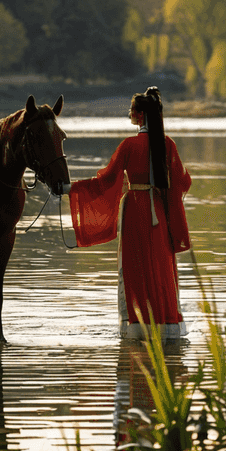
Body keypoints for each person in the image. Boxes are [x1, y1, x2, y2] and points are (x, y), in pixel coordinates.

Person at [65, 87, 192, 340]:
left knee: (136, 266)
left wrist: (71, 188)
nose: (130, 114)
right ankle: (166, 321)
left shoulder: (128, 146)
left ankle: (137, 324)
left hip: (134, 209)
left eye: (132, 110)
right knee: (161, 265)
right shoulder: (167, 144)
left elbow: (105, 181)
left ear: (141, 115)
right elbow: (183, 182)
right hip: (159, 210)